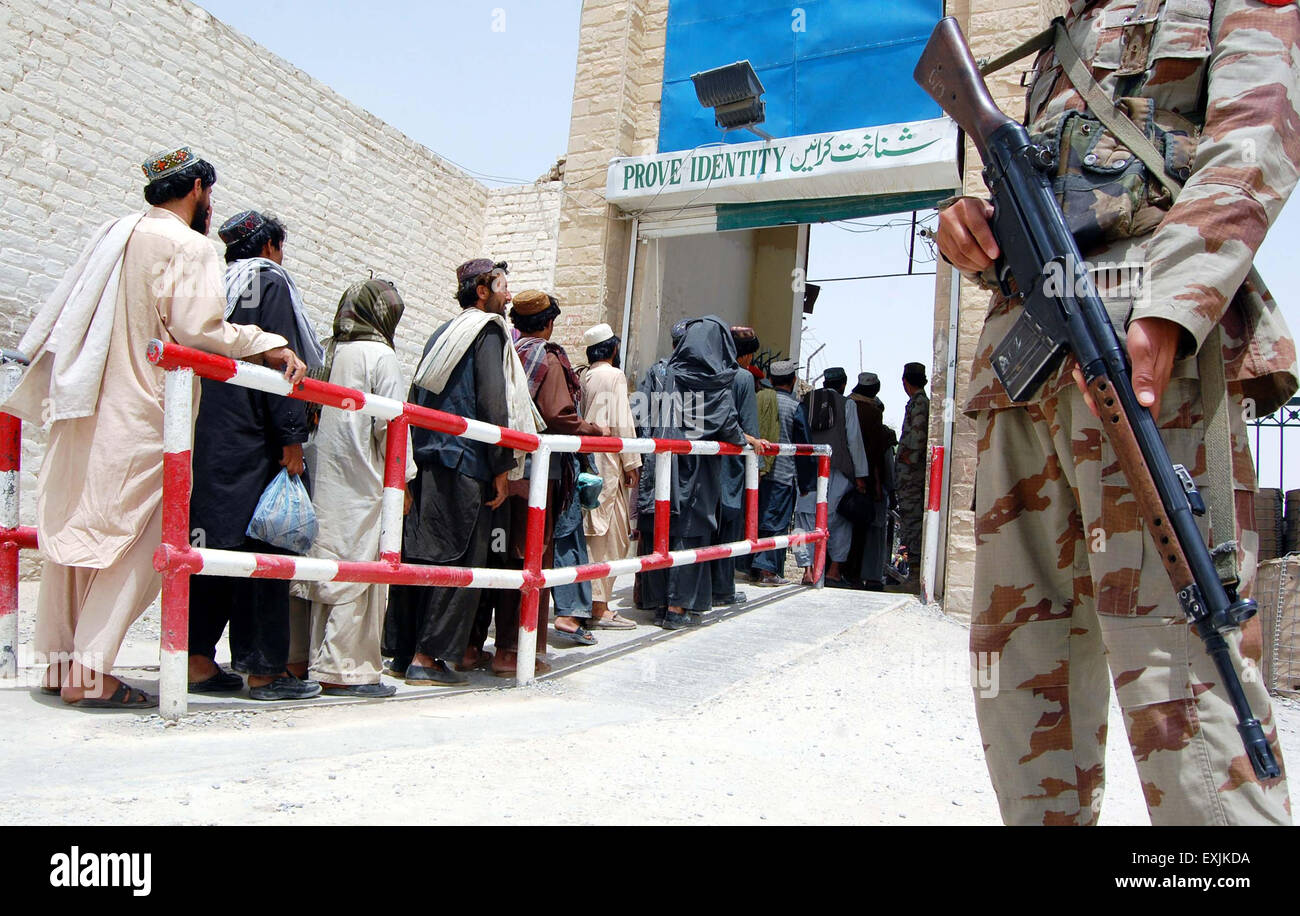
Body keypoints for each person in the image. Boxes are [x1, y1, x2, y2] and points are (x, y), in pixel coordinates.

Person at [936, 0, 1298, 824]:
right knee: (1022, 674)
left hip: (1143, 360)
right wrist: (971, 228)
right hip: (1021, 364)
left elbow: (1258, 134)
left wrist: (1175, 304)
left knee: (1185, 668)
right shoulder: (1064, 29)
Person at [2, 148, 306, 707]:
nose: (209, 206)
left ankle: (59, 663)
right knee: (142, 543)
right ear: (196, 190)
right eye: (208, 195)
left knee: (79, 532)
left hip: (81, 403)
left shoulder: (113, 233)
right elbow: (199, 328)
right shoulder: (187, 245)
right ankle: (88, 673)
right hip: (141, 413)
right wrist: (266, 342)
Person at [187, 209, 325, 701]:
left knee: (211, 549)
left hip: (206, 436)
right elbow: (282, 364)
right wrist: (291, 439)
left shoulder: (214, 286)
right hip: (256, 437)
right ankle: (265, 670)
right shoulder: (271, 282)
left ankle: (197, 660)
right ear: (269, 246)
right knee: (268, 546)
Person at [383, 259, 533, 685]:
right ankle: (427, 659)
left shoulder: (444, 332)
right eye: (503, 287)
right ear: (482, 291)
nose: (509, 296)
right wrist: (503, 465)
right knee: (459, 558)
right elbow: (491, 402)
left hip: (430, 459)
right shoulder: (486, 331)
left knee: (422, 555)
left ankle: (403, 652)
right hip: (466, 463)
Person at [300, 279, 414, 698]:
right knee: (361, 573)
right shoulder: (381, 357)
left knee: (326, 567)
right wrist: (403, 485)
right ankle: (343, 671)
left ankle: (312, 660)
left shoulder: (329, 351)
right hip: (366, 479)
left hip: (325, 479)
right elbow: (393, 428)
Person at [505, 290, 609, 649]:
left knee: (509, 556)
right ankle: (526, 650)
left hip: (506, 467)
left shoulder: (509, 353)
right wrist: (594, 430)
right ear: (548, 323)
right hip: (541, 475)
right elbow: (558, 417)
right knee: (538, 554)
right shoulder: (547, 356)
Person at [658, 316, 759, 629]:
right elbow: (728, 424)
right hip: (699, 469)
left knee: (670, 533)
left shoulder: (673, 370)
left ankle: (670, 602)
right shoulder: (717, 377)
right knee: (691, 534)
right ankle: (675, 609)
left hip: (668, 461)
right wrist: (747, 441)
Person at [578, 323, 640, 629]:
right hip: (608, 464)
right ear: (613, 349)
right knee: (611, 535)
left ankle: (587, 603)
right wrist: (632, 463)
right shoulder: (613, 376)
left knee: (592, 531)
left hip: (586, 461)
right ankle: (599, 607)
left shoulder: (584, 375)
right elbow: (621, 421)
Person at [633, 319, 689, 616]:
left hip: (656, 459)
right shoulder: (697, 373)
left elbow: (638, 414)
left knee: (655, 527)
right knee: (679, 530)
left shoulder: (657, 371)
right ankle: (674, 603)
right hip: (686, 464)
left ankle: (653, 598)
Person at [801, 367, 869, 588]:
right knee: (839, 521)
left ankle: (808, 570)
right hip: (837, 469)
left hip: (809, 468)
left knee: (805, 518)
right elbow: (854, 441)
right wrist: (860, 475)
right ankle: (833, 571)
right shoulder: (847, 404)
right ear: (843, 385)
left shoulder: (805, 402)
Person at [712, 325, 762, 606]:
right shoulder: (742, 378)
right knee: (728, 528)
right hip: (731, 466)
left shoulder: (709, 371)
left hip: (704, 467)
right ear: (746, 356)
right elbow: (750, 427)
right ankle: (722, 590)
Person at [752, 360, 813, 587]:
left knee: (758, 519)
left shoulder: (758, 400)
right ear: (793, 381)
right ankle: (767, 571)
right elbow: (804, 448)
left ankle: (756, 567)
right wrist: (807, 483)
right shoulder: (795, 407)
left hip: (756, 473)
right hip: (783, 474)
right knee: (776, 522)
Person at [848, 372, 894, 590]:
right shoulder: (874, 417)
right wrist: (877, 485)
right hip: (865, 480)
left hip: (844, 475)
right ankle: (864, 575)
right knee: (868, 530)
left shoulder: (847, 405)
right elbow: (876, 455)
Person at [890, 362, 929, 594]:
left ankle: (915, 576)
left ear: (905, 381)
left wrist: (906, 458)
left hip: (912, 479)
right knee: (909, 524)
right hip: (909, 479)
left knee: (913, 525)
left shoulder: (919, 404)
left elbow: (915, 442)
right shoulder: (917, 403)